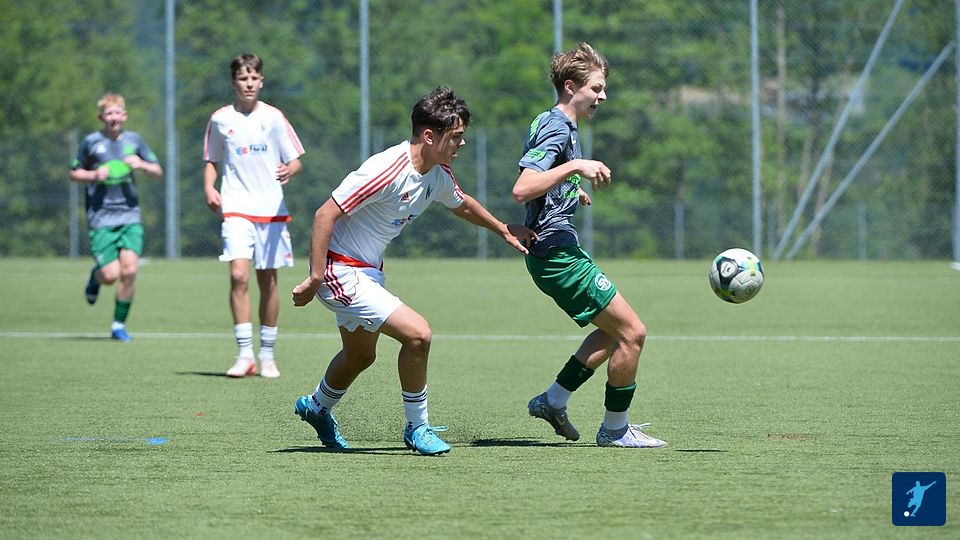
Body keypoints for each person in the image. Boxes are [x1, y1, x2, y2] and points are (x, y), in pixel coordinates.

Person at [291, 87, 537, 456]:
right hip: (340, 270)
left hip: (368, 272)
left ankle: (317, 407)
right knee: (418, 335)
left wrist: (502, 228)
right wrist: (314, 277)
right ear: (429, 136)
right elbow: (325, 214)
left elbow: (461, 203)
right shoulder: (386, 169)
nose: (462, 143)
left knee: (360, 357)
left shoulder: (437, 174)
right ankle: (417, 426)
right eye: (456, 136)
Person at [512, 43, 666, 449]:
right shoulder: (557, 126)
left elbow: (543, 178)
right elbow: (523, 187)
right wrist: (576, 167)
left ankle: (553, 401)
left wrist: (569, 188)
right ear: (570, 86)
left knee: (614, 332)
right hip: (556, 254)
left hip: (556, 250)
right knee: (633, 333)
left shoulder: (554, 122)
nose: (603, 96)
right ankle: (615, 430)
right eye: (596, 88)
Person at [203, 53, 305, 379]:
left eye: (253, 78)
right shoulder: (220, 119)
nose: (248, 83)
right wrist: (209, 187)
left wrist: (289, 169)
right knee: (238, 275)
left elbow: (296, 160)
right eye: (242, 78)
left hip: (270, 210)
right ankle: (245, 354)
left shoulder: (274, 117)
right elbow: (211, 160)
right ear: (233, 82)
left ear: (261, 81)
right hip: (236, 207)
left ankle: (267, 355)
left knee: (268, 280)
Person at [70, 92, 163, 342]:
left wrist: (142, 165)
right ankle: (95, 277)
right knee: (110, 276)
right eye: (108, 113)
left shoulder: (134, 140)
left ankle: (118, 326)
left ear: (124, 115)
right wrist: (93, 175)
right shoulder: (91, 142)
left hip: (129, 215)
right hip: (101, 217)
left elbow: (158, 171)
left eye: (117, 112)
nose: (113, 117)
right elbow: (74, 172)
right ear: (101, 117)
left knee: (129, 271)